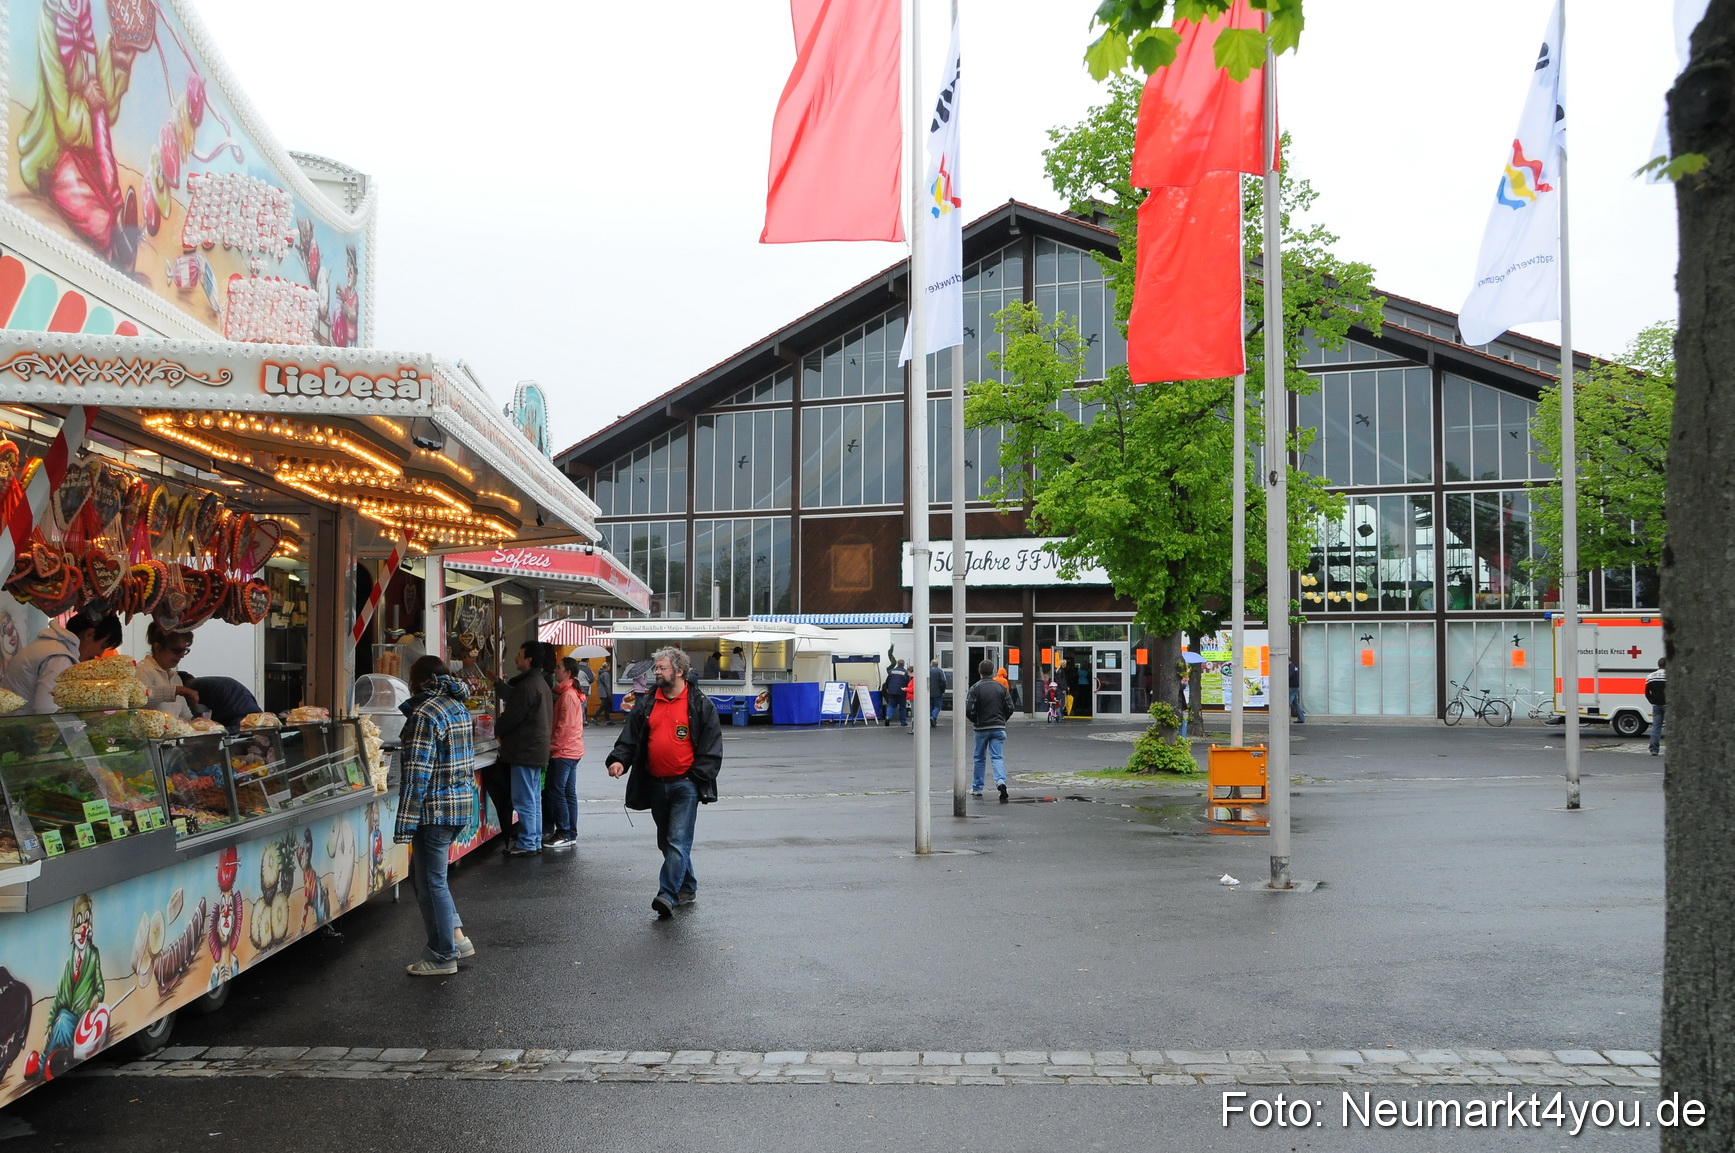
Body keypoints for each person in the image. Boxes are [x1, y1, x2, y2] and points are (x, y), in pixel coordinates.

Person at [606, 647, 723, 918]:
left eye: (661, 668)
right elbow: (630, 738)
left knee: (677, 841)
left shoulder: (699, 704)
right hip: (656, 784)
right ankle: (688, 885)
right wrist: (619, 760)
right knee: (666, 842)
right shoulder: (647, 703)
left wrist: (696, 778)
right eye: (656, 668)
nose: (656, 672)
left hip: (686, 786)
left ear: (679, 672)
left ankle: (667, 895)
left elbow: (712, 746)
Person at [391, 657, 476, 977]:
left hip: (435, 810)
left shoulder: (424, 713)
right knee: (432, 877)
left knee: (430, 881)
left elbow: (416, 776)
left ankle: (442, 955)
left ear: (418, 680)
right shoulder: (457, 706)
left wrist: (405, 824)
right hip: (459, 806)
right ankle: (455, 937)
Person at [495, 641, 554, 857]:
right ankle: (533, 839)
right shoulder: (540, 683)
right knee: (533, 798)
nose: (515, 659)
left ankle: (528, 842)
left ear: (529, 659)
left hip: (525, 751)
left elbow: (512, 717)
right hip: (536, 750)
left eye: (519, 654)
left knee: (524, 799)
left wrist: (497, 729)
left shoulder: (527, 686)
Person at [1, 611, 121, 715]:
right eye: (103, 646)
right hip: (20, 731)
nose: (100, 654)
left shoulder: (51, 646)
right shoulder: (59, 658)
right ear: (89, 634)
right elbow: (48, 711)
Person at [545, 656, 586, 847]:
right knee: (568, 793)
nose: (555, 670)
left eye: (559, 667)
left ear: (568, 673)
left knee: (557, 792)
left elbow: (564, 727)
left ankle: (563, 832)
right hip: (572, 749)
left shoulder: (568, 695)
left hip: (564, 751)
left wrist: (552, 746)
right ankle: (570, 831)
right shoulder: (571, 693)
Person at [967, 658, 1015, 802]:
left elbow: (969, 709)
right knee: (997, 757)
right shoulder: (1001, 688)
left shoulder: (975, 688)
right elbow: (1010, 707)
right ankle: (1001, 782)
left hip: (981, 728)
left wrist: (975, 720)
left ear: (979, 671)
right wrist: (1002, 719)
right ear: (993, 671)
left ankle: (977, 787)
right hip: (998, 727)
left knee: (979, 758)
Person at [136, 623, 198, 720]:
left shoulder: (175, 678)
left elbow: (185, 716)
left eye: (184, 650)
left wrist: (202, 724)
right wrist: (175, 691)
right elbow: (140, 697)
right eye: (177, 650)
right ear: (157, 648)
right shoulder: (142, 670)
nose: (182, 655)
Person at [189, 676, 261, 732]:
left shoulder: (192, 686)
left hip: (235, 714)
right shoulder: (209, 682)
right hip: (251, 710)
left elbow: (195, 713)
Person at [1646, 657, 1667, 756]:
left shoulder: (1650, 676)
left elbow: (1646, 692)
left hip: (1656, 705)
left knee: (1656, 727)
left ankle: (1654, 749)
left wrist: (1652, 701)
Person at [883, 660, 909, 727]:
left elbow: (887, 680)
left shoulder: (891, 671)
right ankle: (903, 722)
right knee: (902, 707)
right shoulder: (905, 672)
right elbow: (907, 682)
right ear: (903, 664)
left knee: (891, 705)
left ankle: (888, 717)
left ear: (897, 664)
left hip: (892, 691)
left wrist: (888, 688)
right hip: (901, 691)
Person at [928, 659, 947, 728]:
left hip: (929, 692)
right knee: (937, 707)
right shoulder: (940, 671)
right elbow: (943, 681)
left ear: (931, 664)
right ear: (937, 664)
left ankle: (931, 717)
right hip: (937, 692)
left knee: (931, 706)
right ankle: (933, 717)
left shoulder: (928, 671)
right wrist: (942, 691)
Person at [1288, 658, 1305, 724]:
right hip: (1295, 687)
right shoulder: (1294, 666)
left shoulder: (1291, 667)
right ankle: (1301, 718)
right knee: (1295, 704)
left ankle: (1282, 718)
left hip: (1292, 687)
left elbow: (1290, 675)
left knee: (1287, 702)